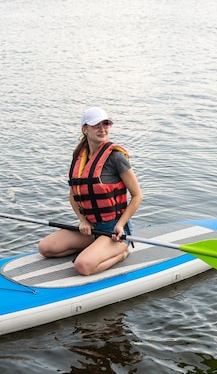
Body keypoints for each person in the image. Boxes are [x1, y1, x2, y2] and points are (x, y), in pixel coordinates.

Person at [38, 107, 143, 276]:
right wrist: (82, 221)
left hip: (115, 231)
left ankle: (122, 252)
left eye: (106, 124)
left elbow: (137, 196)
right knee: (45, 248)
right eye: (96, 125)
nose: (102, 129)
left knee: (83, 266)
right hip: (91, 228)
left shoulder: (116, 158)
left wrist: (121, 224)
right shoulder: (79, 157)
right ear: (85, 129)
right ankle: (96, 247)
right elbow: (73, 195)